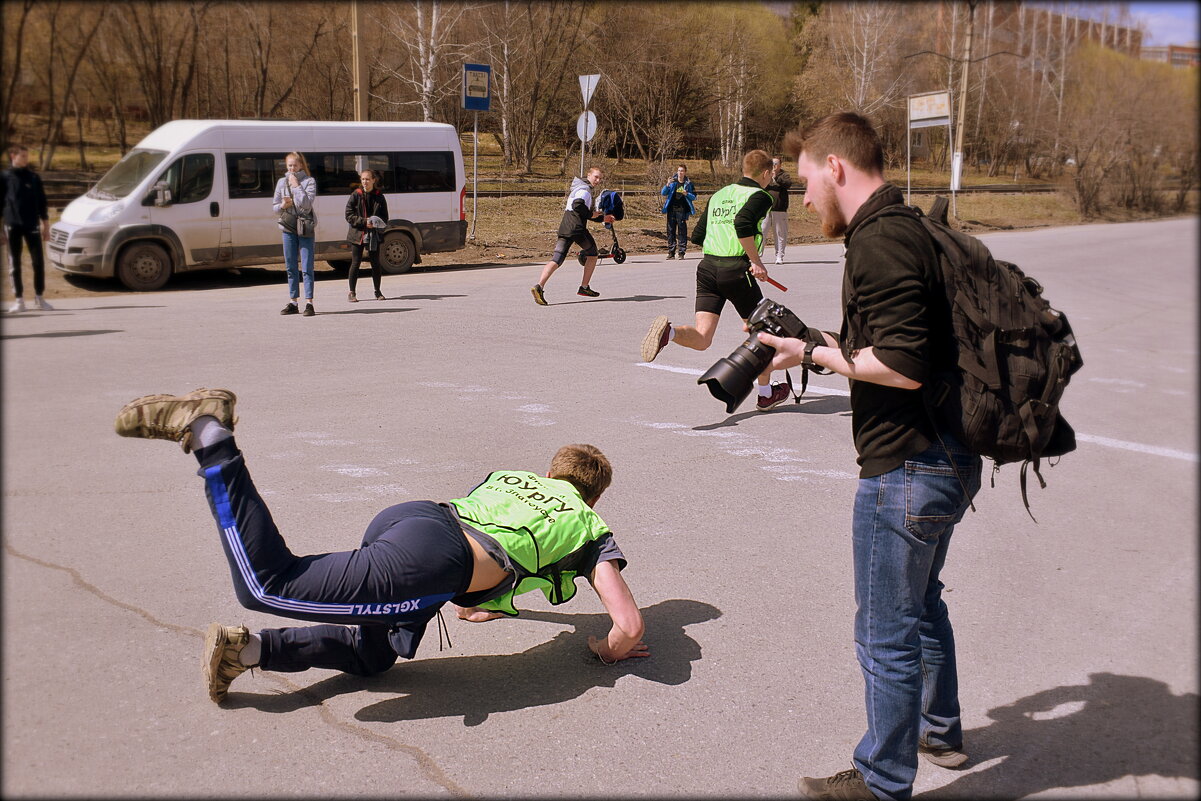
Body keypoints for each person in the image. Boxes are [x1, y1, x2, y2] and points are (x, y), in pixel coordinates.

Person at [113, 388, 648, 703]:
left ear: (550, 472)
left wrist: (486, 606)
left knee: (376, 654)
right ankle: (211, 437)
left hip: (416, 519)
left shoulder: (516, 479)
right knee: (266, 584)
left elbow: (507, 545)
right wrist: (607, 651)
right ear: (594, 498)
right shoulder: (589, 529)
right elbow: (628, 624)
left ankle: (247, 652)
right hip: (435, 562)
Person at [757, 112, 983, 801]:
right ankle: (938, 729)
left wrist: (818, 354)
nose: (802, 200)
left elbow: (903, 363)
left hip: (907, 464)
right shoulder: (908, 227)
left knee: (885, 629)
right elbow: (890, 340)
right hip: (947, 453)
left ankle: (882, 782)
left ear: (834, 166)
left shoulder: (877, 241)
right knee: (922, 602)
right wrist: (812, 344)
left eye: (803, 183)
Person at [639, 149, 792, 412]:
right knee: (764, 334)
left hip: (708, 268)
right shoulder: (760, 196)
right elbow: (743, 224)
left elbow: (698, 235)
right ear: (767, 173)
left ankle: (669, 333)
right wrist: (754, 261)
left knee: (703, 337)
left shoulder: (720, 194)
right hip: (735, 269)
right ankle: (766, 394)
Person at [531, 166, 615, 305]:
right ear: (588, 175)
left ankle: (539, 286)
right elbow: (578, 206)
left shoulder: (578, 188)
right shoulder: (584, 190)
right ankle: (584, 287)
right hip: (577, 228)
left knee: (557, 259)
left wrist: (601, 218)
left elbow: (580, 211)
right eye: (596, 177)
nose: (598, 180)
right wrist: (591, 214)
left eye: (600, 178)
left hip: (565, 225)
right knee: (593, 254)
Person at [2, 145, 52, 312]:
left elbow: (42, 202)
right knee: (14, 263)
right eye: (22, 156)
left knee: (38, 262)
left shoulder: (33, 177)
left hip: (32, 225)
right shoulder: (5, 177)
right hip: (12, 225)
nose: (26, 159)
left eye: (27, 156)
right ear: (13, 156)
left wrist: (46, 225)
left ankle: (39, 297)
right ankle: (19, 300)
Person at [273, 152, 318, 317]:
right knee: (291, 266)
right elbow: (274, 207)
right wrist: (283, 205)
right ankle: (293, 301)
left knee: (307, 266)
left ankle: (309, 303)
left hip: (305, 227)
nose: (292, 168)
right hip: (288, 227)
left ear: (301, 165)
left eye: (295, 165)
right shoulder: (281, 182)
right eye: (289, 165)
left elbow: (306, 204)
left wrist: (296, 186)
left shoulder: (309, 181)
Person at [344, 169, 388, 302]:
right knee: (355, 263)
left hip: (374, 235)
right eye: (363, 179)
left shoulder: (379, 196)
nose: (365, 182)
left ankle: (378, 292)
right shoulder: (355, 195)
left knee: (375, 263)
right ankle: (351, 292)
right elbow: (348, 215)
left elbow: (385, 218)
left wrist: (375, 223)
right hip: (358, 234)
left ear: (374, 180)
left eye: (368, 179)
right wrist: (364, 222)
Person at [659, 164, 696, 260]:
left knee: (682, 231)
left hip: (682, 210)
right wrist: (667, 184)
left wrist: (686, 193)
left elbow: (694, 197)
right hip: (671, 209)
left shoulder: (688, 184)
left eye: (682, 171)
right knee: (670, 231)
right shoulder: (672, 182)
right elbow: (663, 193)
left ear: (685, 172)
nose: (680, 172)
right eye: (679, 170)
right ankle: (671, 252)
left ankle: (681, 252)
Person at [763, 157, 792, 264]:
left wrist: (776, 178)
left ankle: (779, 256)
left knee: (780, 234)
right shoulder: (766, 174)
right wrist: (768, 177)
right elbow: (760, 186)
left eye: (776, 163)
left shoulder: (784, 175)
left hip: (780, 209)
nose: (774, 165)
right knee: (761, 232)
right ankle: (757, 256)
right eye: (772, 163)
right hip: (765, 209)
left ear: (780, 165)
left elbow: (788, 184)